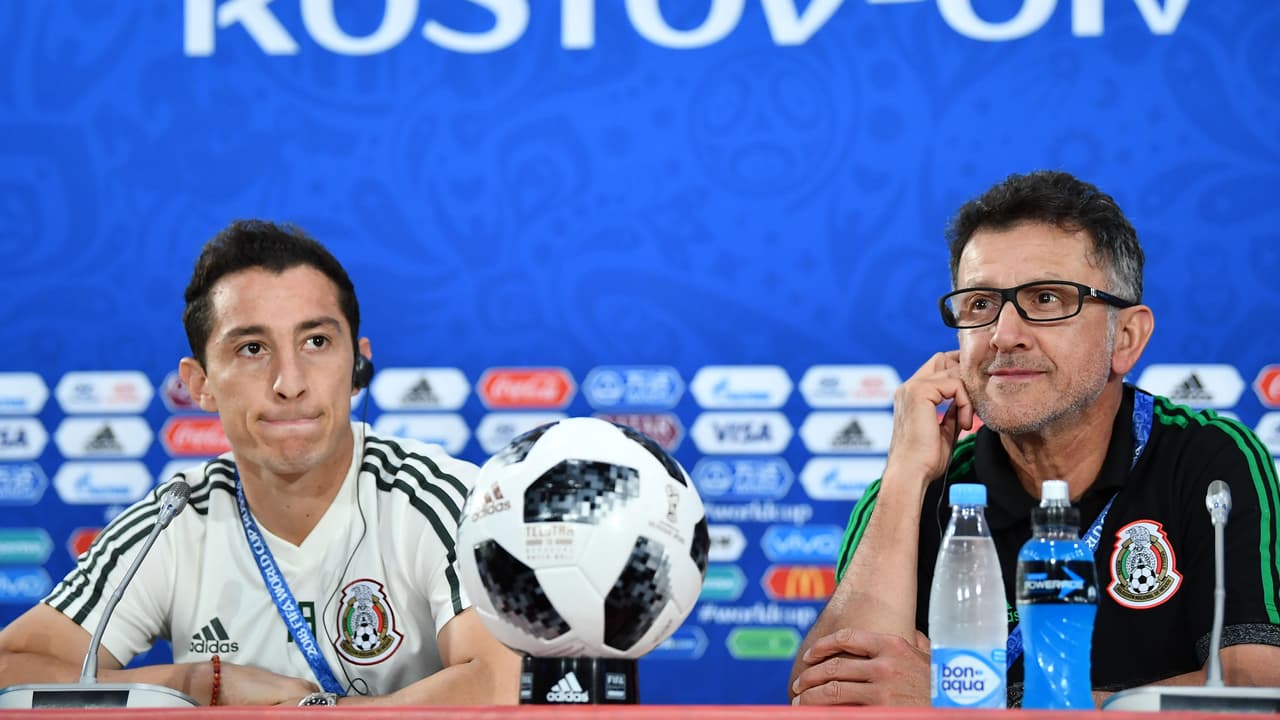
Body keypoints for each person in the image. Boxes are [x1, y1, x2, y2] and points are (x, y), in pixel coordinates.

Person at [789, 171, 1280, 706]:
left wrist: (968, 703)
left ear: (1126, 338)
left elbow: (1255, 689)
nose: (1004, 335)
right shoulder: (916, 488)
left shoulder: (1208, 459)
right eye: (980, 304)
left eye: (1046, 298)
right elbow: (832, 697)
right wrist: (905, 476)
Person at [0, 220, 520, 706]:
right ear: (200, 384)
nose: (289, 383)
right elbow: (11, 666)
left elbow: (498, 679)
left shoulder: (440, 499)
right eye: (252, 348)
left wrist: (314, 717)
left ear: (357, 366)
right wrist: (196, 682)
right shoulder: (174, 521)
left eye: (316, 342)